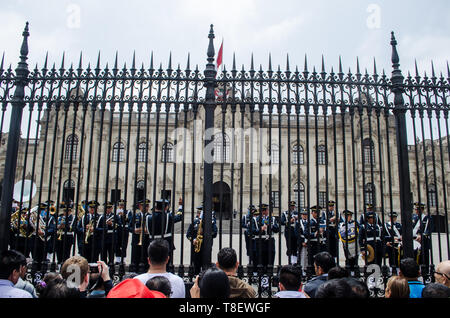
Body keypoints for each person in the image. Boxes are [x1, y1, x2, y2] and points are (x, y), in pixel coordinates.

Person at [186, 205, 218, 275]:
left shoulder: (211, 223)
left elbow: (215, 233)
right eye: (198, 213)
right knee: (196, 265)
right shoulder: (194, 222)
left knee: (206, 267)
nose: (198, 214)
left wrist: (206, 235)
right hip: (196, 248)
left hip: (206, 247)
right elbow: (188, 234)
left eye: (200, 213)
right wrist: (193, 239)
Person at [248, 203, 280, 272]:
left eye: (265, 210)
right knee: (260, 260)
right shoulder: (255, 220)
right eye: (262, 210)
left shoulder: (272, 219)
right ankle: (261, 277)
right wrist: (260, 229)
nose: (264, 212)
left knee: (270, 259)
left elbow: (277, 229)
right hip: (260, 241)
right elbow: (252, 231)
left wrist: (270, 225)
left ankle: (269, 275)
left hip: (270, 241)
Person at [129, 199, 150, 272]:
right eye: (143, 206)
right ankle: (135, 271)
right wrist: (135, 230)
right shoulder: (135, 216)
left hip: (147, 240)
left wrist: (147, 231)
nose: (145, 208)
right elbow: (129, 227)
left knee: (146, 257)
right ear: (140, 206)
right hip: (136, 240)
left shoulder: (150, 216)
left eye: (147, 206)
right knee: (135, 257)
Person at [412, 202, 431, 267]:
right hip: (413, 240)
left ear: (422, 210)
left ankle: (425, 272)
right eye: (416, 209)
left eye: (417, 209)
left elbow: (429, 230)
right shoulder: (413, 217)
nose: (416, 211)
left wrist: (421, 235)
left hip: (423, 241)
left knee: (424, 257)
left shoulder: (427, 218)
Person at [115, 199, 131, 265]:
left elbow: (130, 220)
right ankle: (117, 259)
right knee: (117, 244)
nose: (121, 206)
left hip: (125, 229)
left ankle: (123, 259)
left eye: (122, 205)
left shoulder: (128, 212)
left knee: (124, 244)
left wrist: (123, 215)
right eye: (120, 205)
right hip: (118, 229)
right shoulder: (116, 212)